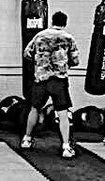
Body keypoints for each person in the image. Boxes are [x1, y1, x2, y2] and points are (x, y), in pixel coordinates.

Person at [20, 11, 79, 159]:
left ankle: (26, 139)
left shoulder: (39, 36)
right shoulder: (68, 38)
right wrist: (64, 63)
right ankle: (66, 147)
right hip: (58, 80)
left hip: (41, 78)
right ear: (65, 23)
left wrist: (39, 62)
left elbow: (27, 53)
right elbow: (75, 61)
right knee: (63, 113)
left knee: (34, 109)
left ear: (52, 21)